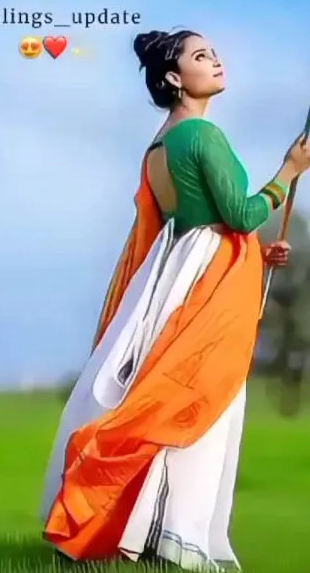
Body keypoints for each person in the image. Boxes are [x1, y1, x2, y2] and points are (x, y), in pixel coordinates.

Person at [42, 29, 310, 571]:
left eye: (213, 52)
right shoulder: (201, 136)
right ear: (173, 78)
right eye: (200, 56)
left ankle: (142, 526)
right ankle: (175, 534)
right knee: (197, 401)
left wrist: (257, 253)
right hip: (209, 282)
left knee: (169, 393)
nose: (216, 60)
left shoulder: (158, 146)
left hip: (176, 275)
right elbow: (239, 217)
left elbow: (194, 221)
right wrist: (290, 170)